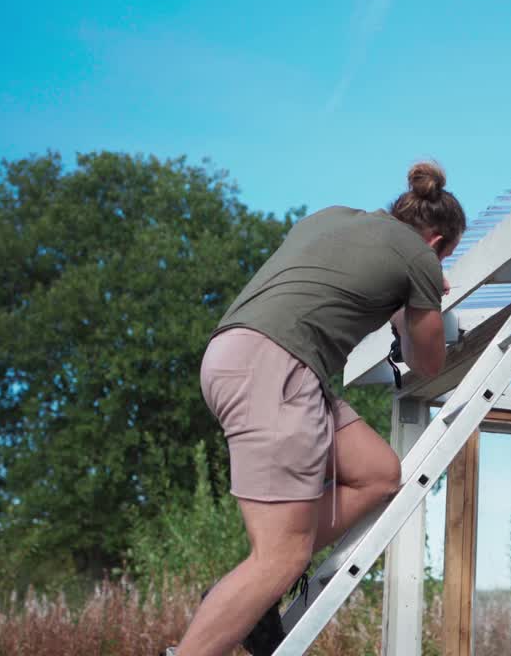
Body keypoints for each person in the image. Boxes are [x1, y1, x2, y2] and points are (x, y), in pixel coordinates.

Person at [168, 162, 465, 656]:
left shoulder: (332, 217)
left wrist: (403, 297)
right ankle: (247, 591)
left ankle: (246, 589)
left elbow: (336, 283)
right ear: (437, 243)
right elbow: (427, 362)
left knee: (377, 473)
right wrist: (426, 292)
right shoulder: (421, 259)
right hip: (278, 369)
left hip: (233, 355)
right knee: (282, 556)